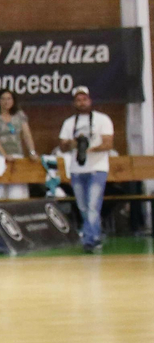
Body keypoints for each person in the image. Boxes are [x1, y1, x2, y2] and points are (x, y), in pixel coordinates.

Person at [59, 86, 114, 253]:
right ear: (74, 103)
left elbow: (108, 144)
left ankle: (90, 240)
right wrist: (73, 144)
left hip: (97, 168)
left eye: (84, 99)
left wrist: (90, 149)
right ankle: (94, 235)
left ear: (90, 100)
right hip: (77, 169)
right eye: (78, 100)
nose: (82, 103)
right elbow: (62, 146)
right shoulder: (69, 123)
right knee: (82, 206)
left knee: (92, 205)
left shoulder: (102, 119)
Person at [0, 89, 37, 201]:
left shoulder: (19, 115)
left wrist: (32, 152)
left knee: (16, 192)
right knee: (0, 191)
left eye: (9, 99)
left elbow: (27, 135)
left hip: (16, 154)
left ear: (13, 101)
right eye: (2, 99)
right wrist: (4, 155)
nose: (6, 101)